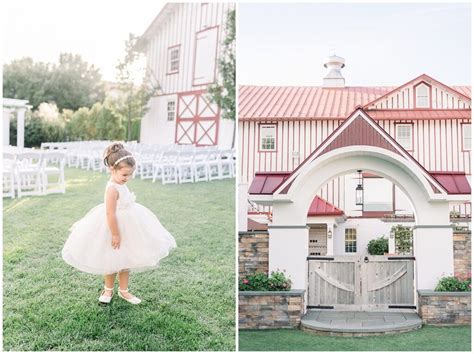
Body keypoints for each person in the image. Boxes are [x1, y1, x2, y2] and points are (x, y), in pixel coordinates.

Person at [62, 143, 177, 305]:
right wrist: (115, 234)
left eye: (130, 175)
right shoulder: (112, 189)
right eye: (124, 175)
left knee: (125, 259)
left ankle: (124, 291)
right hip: (113, 228)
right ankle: (108, 289)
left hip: (129, 226)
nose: (127, 178)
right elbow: (110, 213)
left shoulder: (121, 184)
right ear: (112, 169)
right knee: (111, 260)